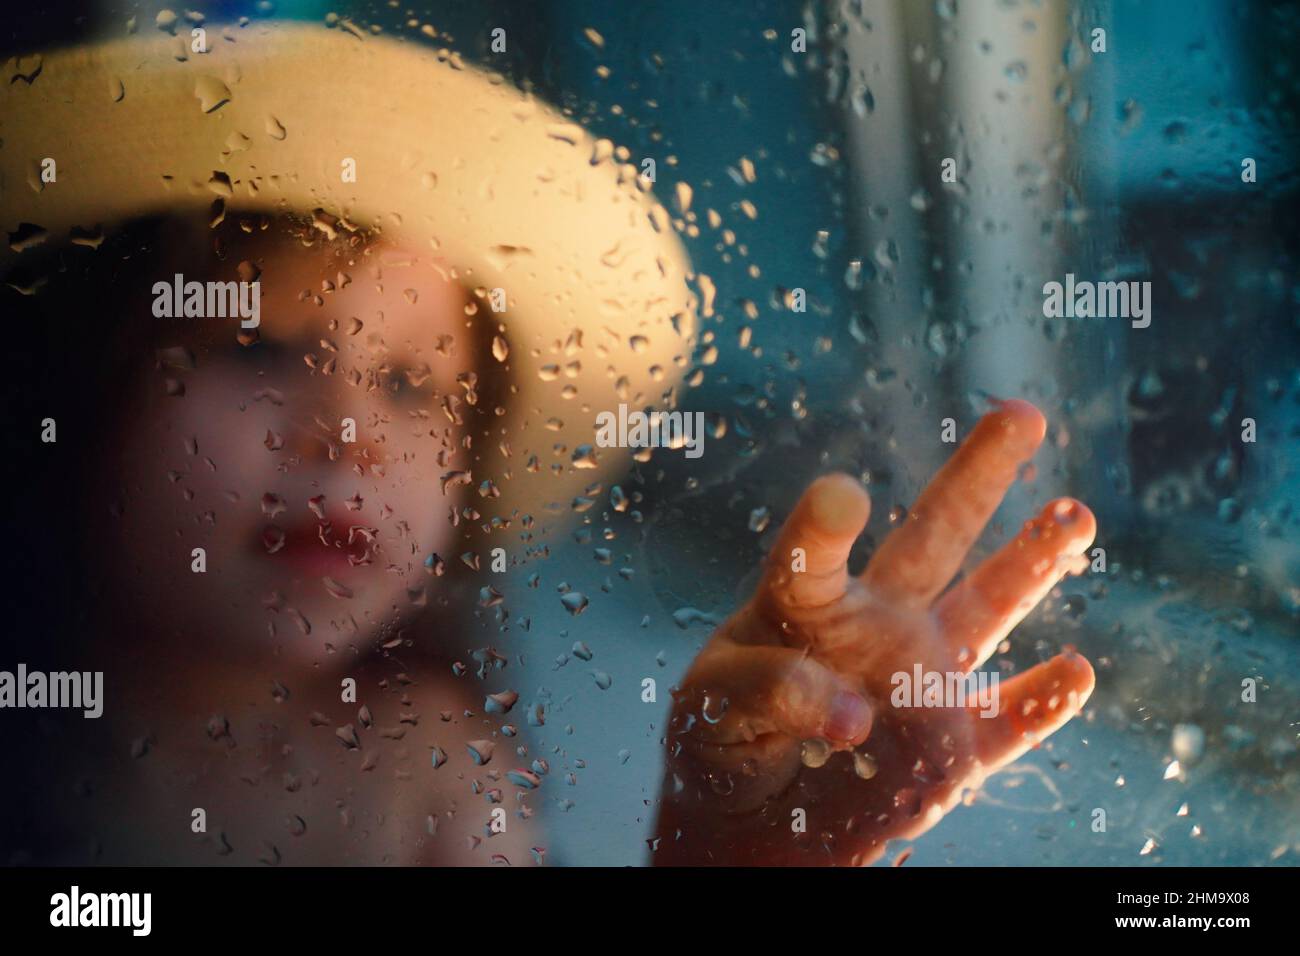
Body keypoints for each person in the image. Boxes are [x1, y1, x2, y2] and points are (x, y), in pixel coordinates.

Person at [0, 22, 1094, 866]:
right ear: (85, 386)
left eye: (411, 385)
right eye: (258, 348)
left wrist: (718, 853)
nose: (348, 439)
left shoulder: (435, 779)